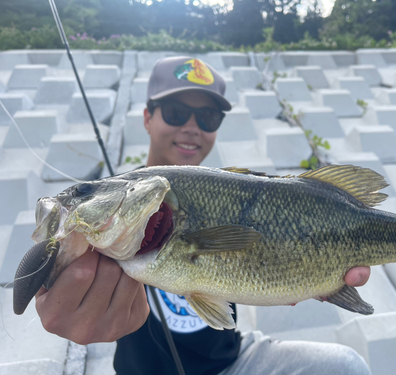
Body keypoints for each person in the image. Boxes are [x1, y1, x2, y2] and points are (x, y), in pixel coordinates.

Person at [35, 56, 372, 375]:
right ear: (147, 118)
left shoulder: (228, 185)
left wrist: (305, 270)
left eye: (208, 118)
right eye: (176, 111)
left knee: (344, 365)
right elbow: (60, 264)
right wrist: (59, 285)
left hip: (234, 357)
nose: (192, 127)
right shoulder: (117, 213)